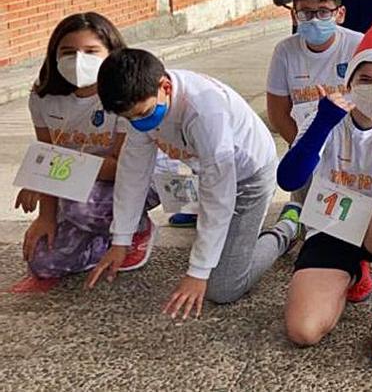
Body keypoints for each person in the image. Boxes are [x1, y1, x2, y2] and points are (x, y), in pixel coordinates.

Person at [88, 49, 300, 317]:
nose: (139, 123)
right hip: (204, 171)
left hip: (249, 178)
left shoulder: (204, 112)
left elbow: (219, 193)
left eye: (143, 114)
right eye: (130, 118)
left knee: (223, 287)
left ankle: (289, 227)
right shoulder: (139, 101)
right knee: (213, 240)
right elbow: (133, 171)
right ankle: (218, 233)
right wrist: (121, 240)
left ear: (165, 86)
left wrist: (198, 272)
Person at [277, 18, 372, 366]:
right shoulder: (323, 113)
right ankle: (353, 273)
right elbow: (289, 178)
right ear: (349, 81)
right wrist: (323, 124)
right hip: (329, 226)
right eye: (366, 80)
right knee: (304, 331)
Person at [17, 13, 155, 290]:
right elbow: (48, 150)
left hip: (135, 180)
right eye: (68, 52)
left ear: (111, 53)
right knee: (43, 262)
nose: (79, 60)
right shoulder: (44, 98)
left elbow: (119, 167)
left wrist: (46, 171)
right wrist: (46, 216)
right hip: (79, 185)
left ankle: (137, 228)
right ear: (54, 56)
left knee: (81, 207)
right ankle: (101, 242)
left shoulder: (123, 94)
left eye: (91, 51)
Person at [266, 0, 364, 146]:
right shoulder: (284, 52)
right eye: (306, 13)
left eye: (324, 12)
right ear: (294, 16)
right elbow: (278, 114)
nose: (315, 20)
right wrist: (306, 148)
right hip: (305, 142)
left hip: (354, 145)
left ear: (340, 14)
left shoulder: (359, 46)